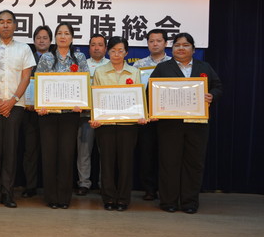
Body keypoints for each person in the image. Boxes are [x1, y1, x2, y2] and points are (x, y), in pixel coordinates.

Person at [150, 32, 222, 214]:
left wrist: (212, 95)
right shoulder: (163, 68)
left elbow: (217, 87)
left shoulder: (204, 67)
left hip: (197, 124)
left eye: (185, 45)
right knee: (169, 163)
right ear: (172, 48)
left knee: (194, 163)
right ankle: (168, 202)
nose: (181, 48)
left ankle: (189, 202)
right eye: (177, 45)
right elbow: (150, 91)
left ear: (193, 49)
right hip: (170, 125)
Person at [0, 10, 35, 208]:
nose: (5, 25)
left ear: (15, 25)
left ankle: (8, 193)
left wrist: (12, 100)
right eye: (1, 21)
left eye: (9, 21)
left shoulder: (24, 49)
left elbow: (26, 77)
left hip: (15, 105)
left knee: (10, 149)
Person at [35, 23, 88, 208]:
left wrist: (82, 103)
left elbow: (85, 82)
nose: (63, 36)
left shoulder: (79, 58)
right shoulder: (46, 57)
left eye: (66, 33)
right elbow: (39, 83)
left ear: (72, 38)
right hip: (48, 115)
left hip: (70, 115)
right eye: (59, 33)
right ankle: (51, 197)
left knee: (66, 155)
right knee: (49, 155)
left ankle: (64, 197)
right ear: (55, 37)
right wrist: (40, 105)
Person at [90, 36, 145, 211]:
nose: (116, 54)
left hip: (128, 125)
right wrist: (95, 117)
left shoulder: (134, 72)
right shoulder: (100, 72)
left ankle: (123, 199)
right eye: (113, 51)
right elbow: (95, 98)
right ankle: (108, 198)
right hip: (105, 125)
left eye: (120, 51)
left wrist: (141, 115)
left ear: (126, 53)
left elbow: (139, 97)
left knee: (125, 163)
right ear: (108, 52)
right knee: (106, 162)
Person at [133, 29, 171, 201]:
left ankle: (167, 189)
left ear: (166, 43)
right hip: (146, 116)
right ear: (147, 43)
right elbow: (133, 90)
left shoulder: (173, 63)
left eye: (159, 41)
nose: (155, 44)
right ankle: (149, 189)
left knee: (167, 154)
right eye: (151, 41)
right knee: (146, 154)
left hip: (168, 116)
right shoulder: (138, 65)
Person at [20, 26, 51, 198]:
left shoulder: (55, 60)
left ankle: (49, 187)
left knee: (50, 151)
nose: (41, 40)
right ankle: (30, 186)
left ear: (50, 41)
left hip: (49, 113)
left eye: (45, 38)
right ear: (34, 41)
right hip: (29, 112)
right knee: (30, 151)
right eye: (38, 38)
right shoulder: (26, 59)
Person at [76, 34, 109, 196]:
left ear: (106, 48)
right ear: (88, 48)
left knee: (106, 153)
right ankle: (84, 183)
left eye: (100, 45)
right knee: (84, 151)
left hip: (106, 117)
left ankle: (105, 184)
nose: (96, 48)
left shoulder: (111, 65)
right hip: (85, 115)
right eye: (93, 45)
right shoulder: (81, 66)